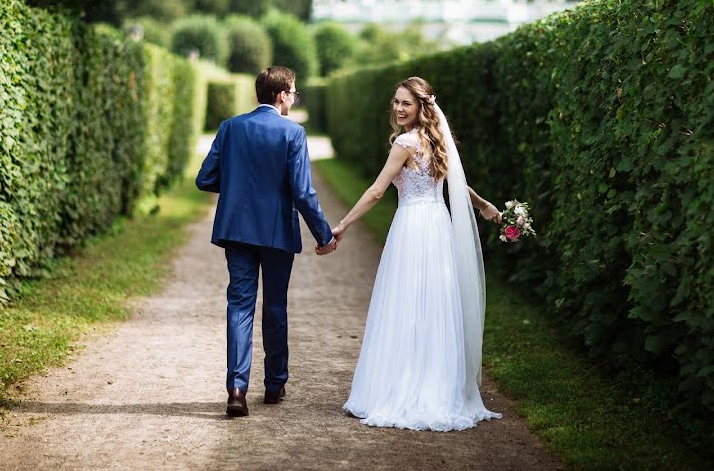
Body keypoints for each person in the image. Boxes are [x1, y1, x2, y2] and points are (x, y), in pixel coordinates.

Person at [330, 76, 503, 431]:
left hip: (413, 226)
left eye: (406, 103)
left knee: (407, 302)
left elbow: (378, 191)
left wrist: (344, 224)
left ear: (422, 105)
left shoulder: (405, 143)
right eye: (395, 102)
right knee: (433, 302)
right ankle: (436, 383)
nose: (398, 108)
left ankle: (405, 384)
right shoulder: (437, 139)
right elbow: (454, 182)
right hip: (437, 225)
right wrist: (483, 204)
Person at [196, 65, 337, 418]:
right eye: (294, 93)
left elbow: (204, 178)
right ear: (281, 95)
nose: (294, 98)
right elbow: (303, 193)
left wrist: (236, 187)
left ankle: (237, 389)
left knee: (239, 306)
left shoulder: (230, 128)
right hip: (276, 232)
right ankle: (274, 384)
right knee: (275, 307)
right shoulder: (292, 134)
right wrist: (324, 234)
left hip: (237, 231)